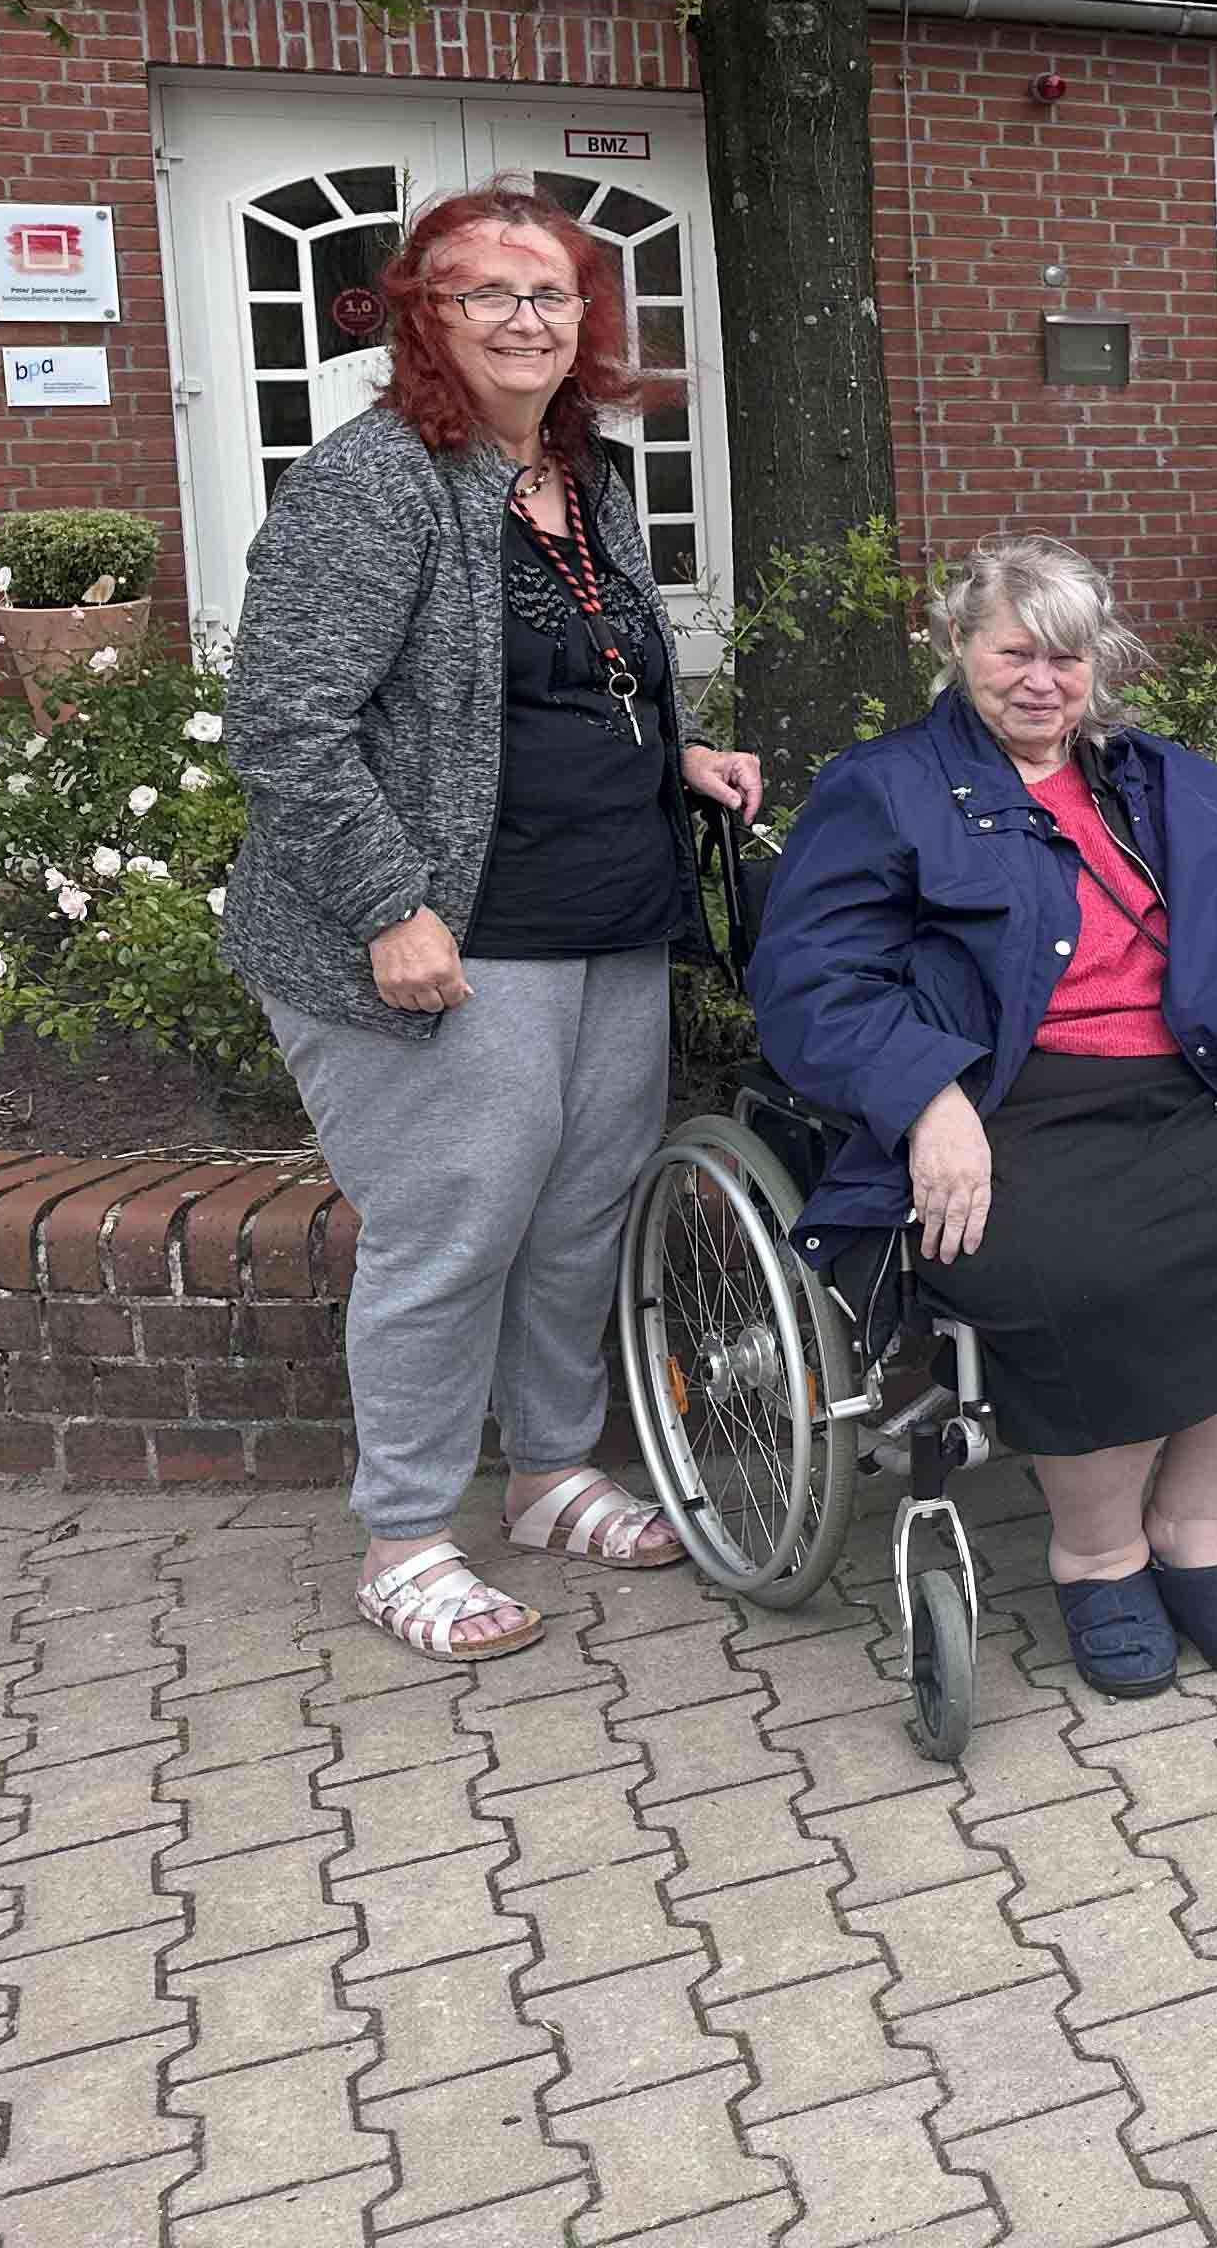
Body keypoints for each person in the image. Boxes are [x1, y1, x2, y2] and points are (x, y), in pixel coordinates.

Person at [221, 181, 766, 1665]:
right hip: (451, 935)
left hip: (607, 910)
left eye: (552, 294)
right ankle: (404, 1537)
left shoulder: (588, 474)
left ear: (586, 319)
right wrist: (388, 906)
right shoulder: (374, 483)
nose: (526, 319)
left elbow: (591, 670)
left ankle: (547, 1473)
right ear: (425, 317)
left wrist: (680, 757)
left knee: (580, 1214)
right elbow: (285, 728)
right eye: (487, 293)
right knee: (454, 1234)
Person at [750, 539, 1217, 1700]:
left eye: (1067, 657)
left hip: (1195, 1080)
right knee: (1079, 1270)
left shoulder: (1161, 779)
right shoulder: (887, 789)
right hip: (1009, 1102)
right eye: (1015, 654)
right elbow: (814, 981)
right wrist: (926, 1095)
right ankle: (1098, 1556)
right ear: (959, 646)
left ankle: (1199, 1526)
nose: (1042, 682)